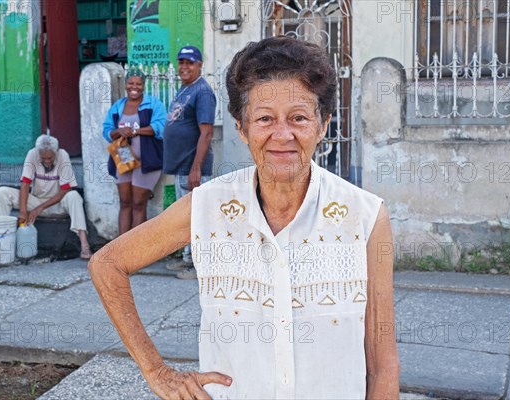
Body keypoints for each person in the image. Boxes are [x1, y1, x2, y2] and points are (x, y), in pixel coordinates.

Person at [89, 36, 399, 399]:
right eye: (265, 118)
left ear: (322, 124)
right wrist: (156, 371)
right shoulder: (207, 208)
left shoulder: (364, 216)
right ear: (242, 128)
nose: (282, 135)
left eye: (298, 117)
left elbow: (382, 364)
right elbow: (107, 264)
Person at [162, 45, 217, 274]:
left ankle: (200, 266)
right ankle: (188, 257)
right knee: (187, 217)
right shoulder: (185, 89)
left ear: (199, 65)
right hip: (182, 166)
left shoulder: (202, 92)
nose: (184, 66)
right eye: (181, 62)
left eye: (190, 62)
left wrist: (196, 168)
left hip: (192, 167)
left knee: (197, 217)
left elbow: (206, 132)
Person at [0, 135, 92, 259]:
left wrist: (39, 208)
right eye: (43, 158)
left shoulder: (63, 155)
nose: (47, 161)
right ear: (38, 153)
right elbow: (25, 183)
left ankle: (85, 246)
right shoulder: (32, 154)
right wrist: (23, 212)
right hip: (35, 202)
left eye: (50, 158)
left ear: (56, 152)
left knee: (74, 196)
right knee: (2, 192)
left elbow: (66, 189)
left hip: (57, 205)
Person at [103, 68, 167, 236]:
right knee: (125, 203)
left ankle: (136, 251)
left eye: (138, 84)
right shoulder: (118, 107)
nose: (135, 87)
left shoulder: (153, 104)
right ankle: (120, 248)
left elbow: (161, 127)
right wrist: (119, 132)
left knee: (139, 204)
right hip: (123, 161)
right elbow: (107, 131)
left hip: (147, 162)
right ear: (125, 85)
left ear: (143, 86)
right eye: (131, 83)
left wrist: (136, 131)